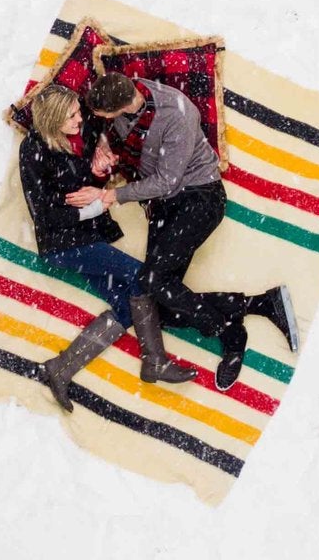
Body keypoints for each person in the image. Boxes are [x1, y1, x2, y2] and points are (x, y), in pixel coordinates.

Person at [67, 71, 297, 388]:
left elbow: (167, 181)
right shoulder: (123, 94)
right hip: (163, 206)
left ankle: (229, 332)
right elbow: (113, 132)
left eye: (105, 117)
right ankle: (260, 304)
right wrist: (104, 144)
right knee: (152, 305)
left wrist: (111, 196)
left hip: (199, 198)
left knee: (152, 280)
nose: (98, 120)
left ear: (120, 106)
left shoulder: (176, 113)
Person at [18, 85, 165, 410]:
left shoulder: (82, 132)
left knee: (127, 307)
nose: (79, 118)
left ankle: (58, 369)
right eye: (71, 115)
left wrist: (103, 162)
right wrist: (96, 205)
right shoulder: (33, 152)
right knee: (145, 279)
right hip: (64, 244)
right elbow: (46, 214)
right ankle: (156, 361)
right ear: (54, 118)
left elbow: (93, 174)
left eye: (77, 111)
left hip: (89, 238)